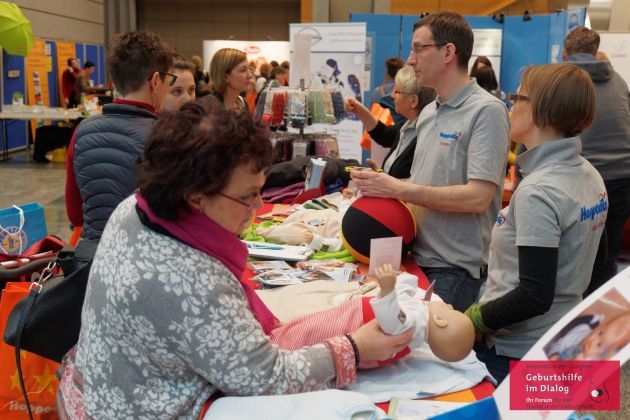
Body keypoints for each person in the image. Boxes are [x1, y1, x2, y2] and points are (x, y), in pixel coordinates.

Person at [56, 99, 412, 418]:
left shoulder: (134, 207)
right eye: (248, 196)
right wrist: (355, 348)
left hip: (98, 389)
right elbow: (265, 378)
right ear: (197, 198)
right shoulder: (192, 282)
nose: (259, 205)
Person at [350, 11, 510, 312]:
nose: (410, 60)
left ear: (448, 52)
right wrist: (381, 185)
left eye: (418, 49)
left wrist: (397, 188)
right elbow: (424, 182)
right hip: (415, 257)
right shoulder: (429, 112)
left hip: (454, 270)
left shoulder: (486, 111)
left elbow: (478, 197)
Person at [464, 63, 608, 383]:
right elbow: (597, 262)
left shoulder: (539, 191)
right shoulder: (589, 175)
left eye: (516, 98)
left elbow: (533, 295)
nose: (510, 105)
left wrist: (473, 320)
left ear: (539, 111)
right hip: (560, 343)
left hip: (516, 353)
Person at [65, 30, 174, 264]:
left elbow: (75, 215)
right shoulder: (167, 136)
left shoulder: (82, 131)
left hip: (91, 262)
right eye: (169, 80)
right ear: (156, 81)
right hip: (146, 263)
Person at [563, 26, 630, 296]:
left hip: (583, 178)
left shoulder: (562, 81)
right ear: (595, 51)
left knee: (571, 259)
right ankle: (599, 312)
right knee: (606, 257)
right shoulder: (619, 81)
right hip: (623, 176)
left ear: (565, 54)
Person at [345, 65, 436, 179]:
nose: (392, 96)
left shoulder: (426, 137)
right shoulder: (407, 126)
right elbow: (383, 134)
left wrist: (383, 181)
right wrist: (358, 110)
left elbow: (418, 182)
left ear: (413, 101)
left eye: (397, 91)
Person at [372, 264, 474, 362]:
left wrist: (388, 289)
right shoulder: (419, 330)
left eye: (451, 310)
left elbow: (393, 315)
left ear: (439, 320)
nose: (449, 305)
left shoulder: (412, 325)